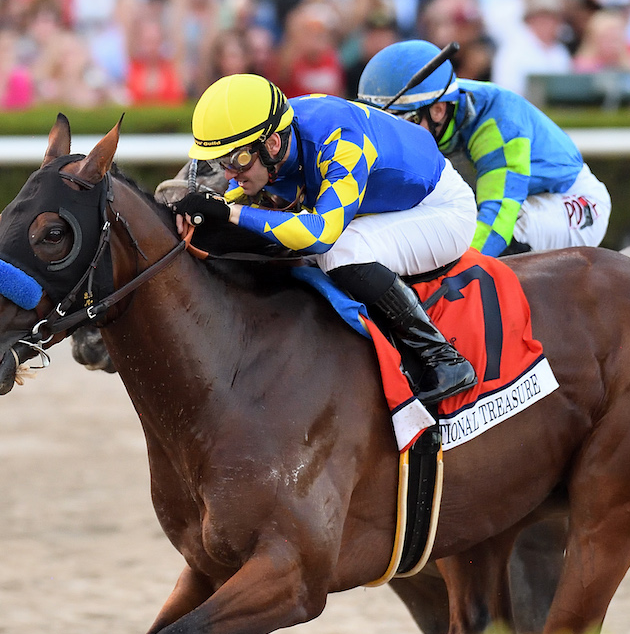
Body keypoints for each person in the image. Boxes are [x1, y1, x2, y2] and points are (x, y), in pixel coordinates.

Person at [175, 73, 477, 404]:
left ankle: (444, 358)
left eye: (237, 160)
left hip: (442, 211)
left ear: (272, 144)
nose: (229, 174)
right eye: (220, 162)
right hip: (385, 208)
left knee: (339, 252)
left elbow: (321, 235)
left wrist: (230, 212)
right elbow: (234, 196)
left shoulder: (339, 139)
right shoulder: (275, 141)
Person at [357, 39, 610, 258]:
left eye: (403, 122)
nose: (395, 135)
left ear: (437, 109)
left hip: (571, 201)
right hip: (505, 200)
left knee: (501, 231)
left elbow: (498, 216)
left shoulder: (498, 123)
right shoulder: (438, 107)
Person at [490, 0, 572, 96]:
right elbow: (506, 92)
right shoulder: (512, 51)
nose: (548, 24)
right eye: (542, 18)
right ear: (530, 20)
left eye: (552, 19)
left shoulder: (560, 51)